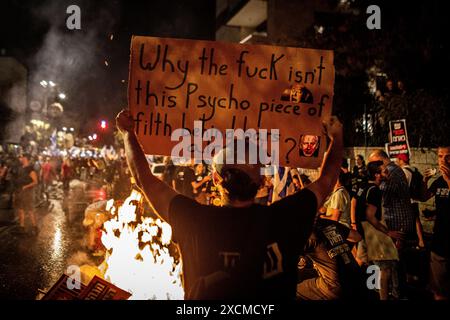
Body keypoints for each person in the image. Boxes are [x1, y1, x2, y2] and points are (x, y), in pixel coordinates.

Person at [116, 109, 344, 300]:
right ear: (261, 181)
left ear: (216, 179)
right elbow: (326, 181)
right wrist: (336, 137)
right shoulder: (284, 219)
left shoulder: (194, 219)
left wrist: (128, 134)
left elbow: (144, 178)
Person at [368, 150, 416, 298]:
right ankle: (395, 292)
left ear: (381, 160)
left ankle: (396, 293)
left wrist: (373, 183)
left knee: (391, 264)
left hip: (396, 223)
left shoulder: (392, 173)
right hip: (395, 222)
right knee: (393, 263)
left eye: (374, 164)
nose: (373, 168)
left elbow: (381, 197)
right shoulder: (393, 171)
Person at [296, 218, 369, 300]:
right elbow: (357, 237)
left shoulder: (307, 234)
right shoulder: (328, 223)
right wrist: (338, 246)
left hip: (334, 287)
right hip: (357, 278)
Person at [359, 161, 400, 300]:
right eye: (384, 171)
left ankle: (369, 292)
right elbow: (370, 216)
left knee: (367, 264)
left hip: (364, 231)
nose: (387, 172)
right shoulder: (375, 191)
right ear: (377, 175)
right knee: (385, 269)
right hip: (373, 233)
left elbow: (354, 202)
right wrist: (388, 232)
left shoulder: (365, 186)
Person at [421, 144, 450, 300]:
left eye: (448, 157)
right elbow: (424, 196)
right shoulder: (439, 181)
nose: (443, 161)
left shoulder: (446, 179)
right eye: (440, 156)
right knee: (438, 291)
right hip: (439, 243)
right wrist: (425, 180)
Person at [14, 153, 39, 235]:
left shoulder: (30, 169)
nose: (20, 158)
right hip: (20, 192)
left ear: (25, 158)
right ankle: (22, 227)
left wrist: (25, 187)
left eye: (21, 157)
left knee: (30, 210)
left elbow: (35, 182)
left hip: (28, 192)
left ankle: (35, 227)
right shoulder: (21, 168)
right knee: (21, 209)